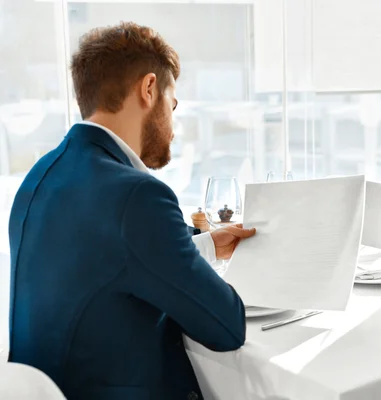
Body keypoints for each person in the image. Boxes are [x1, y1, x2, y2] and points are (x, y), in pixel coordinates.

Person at [8, 22, 256, 399]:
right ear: (149, 89)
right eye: (172, 106)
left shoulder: (40, 175)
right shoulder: (139, 196)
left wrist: (204, 244)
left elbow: (107, 261)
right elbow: (227, 328)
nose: (173, 127)